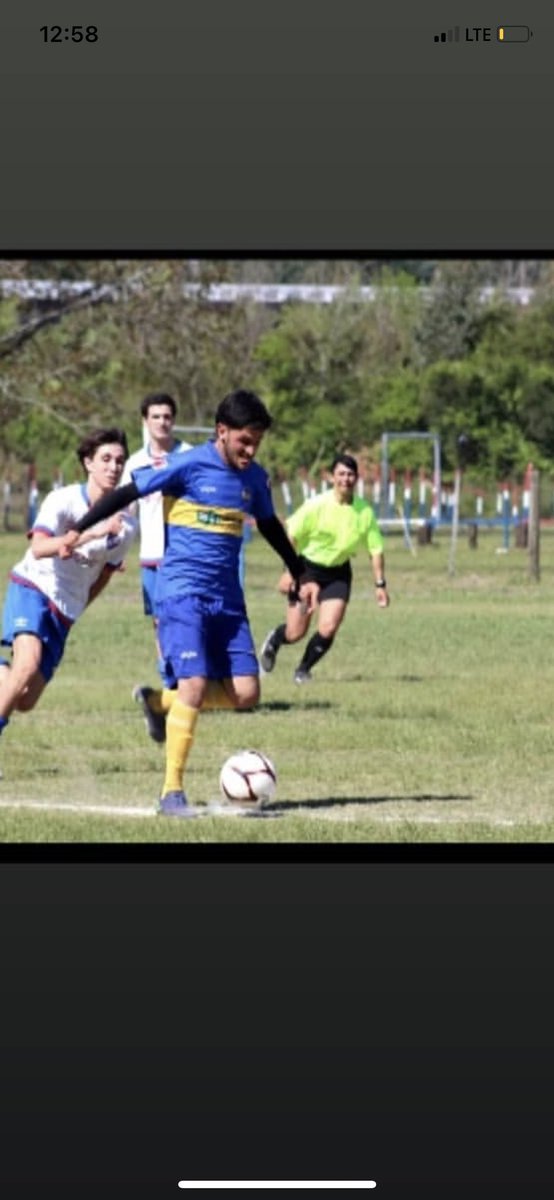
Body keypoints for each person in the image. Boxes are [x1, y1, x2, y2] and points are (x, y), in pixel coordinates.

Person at [59, 390, 319, 817]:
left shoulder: (254, 478)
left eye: (257, 442)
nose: (251, 450)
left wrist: (301, 571)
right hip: (181, 593)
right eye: (244, 441)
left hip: (228, 601)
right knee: (194, 686)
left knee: (247, 693)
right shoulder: (187, 465)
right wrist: (77, 529)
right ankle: (171, 794)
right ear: (221, 432)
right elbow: (128, 492)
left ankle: (159, 703)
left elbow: (270, 524)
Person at [0, 429, 137, 750]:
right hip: (33, 587)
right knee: (26, 666)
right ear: (88, 463)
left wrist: (77, 609)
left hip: (65, 609)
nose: (113, 467)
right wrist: (89, 534)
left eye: (119, 460)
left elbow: (105, 574)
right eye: (105, 459)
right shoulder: (63, 500)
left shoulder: (127, 527)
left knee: (25, 699)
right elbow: (39, 548)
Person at [259, 453, 390, 684]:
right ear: (332, 477)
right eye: (341, 474)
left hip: (338, 573)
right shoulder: (316, 505)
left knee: (328, 627)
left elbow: (376, 549)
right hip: (307, 570)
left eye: (350, 474)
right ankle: (275, 639)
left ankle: (303, 670)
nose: (346, 479)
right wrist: (291, 571)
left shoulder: (365, 512)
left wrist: (380, 584)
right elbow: (290, 536)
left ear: (356, 478)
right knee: (295, 632)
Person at [122, 392, 191, 687]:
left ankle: (193, 676)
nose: (162, 422)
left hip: (186, 554)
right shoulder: (135, 463)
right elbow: (126, 512)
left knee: (188, 617)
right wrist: (117, 548)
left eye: (167, 417)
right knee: (160, 621)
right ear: (145, 421)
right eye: (156, 417)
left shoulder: (190, 455)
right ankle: (169, 680)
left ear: (174, 420)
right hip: (151, 555)